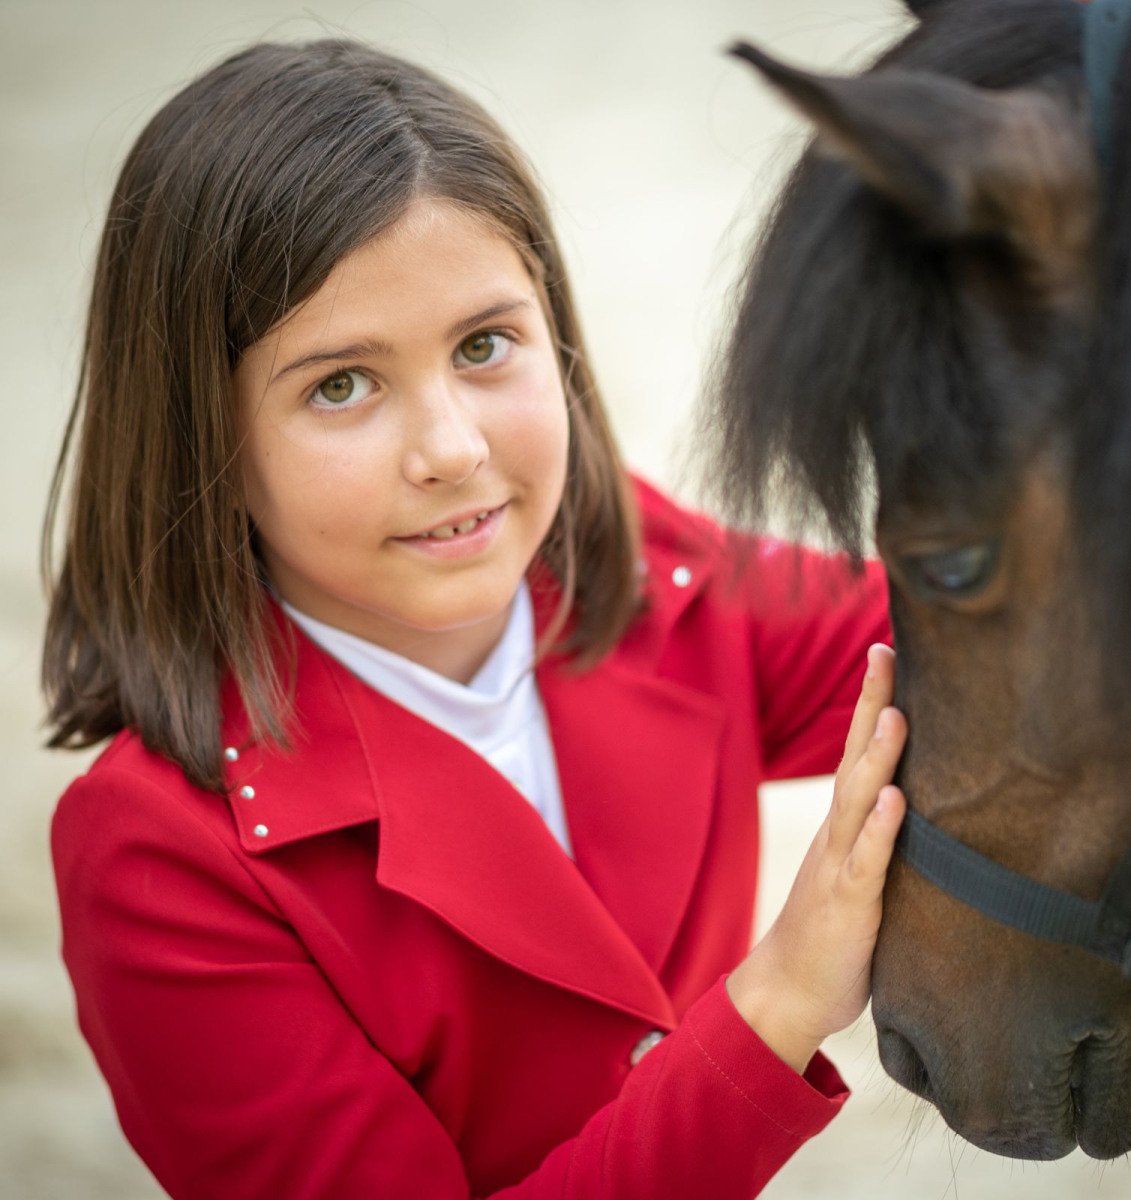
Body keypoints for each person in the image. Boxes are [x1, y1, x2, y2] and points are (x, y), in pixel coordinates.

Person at [41, 38, 906, 1200]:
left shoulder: (656, 576)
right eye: (341, 384)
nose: (452, 450)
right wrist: (779, 1004)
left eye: (484, 345)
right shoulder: (156, 855)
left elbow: (997, 623)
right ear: (204, 442)